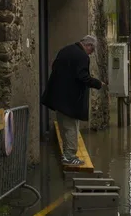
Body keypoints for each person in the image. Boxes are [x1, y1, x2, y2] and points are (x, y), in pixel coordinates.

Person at [41, 35, 105, 166]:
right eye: (92, 51)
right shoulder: (82, 57)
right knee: (71, 128)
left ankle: (66, 154)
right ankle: (69, 157)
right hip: (70, 100)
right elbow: (83, 77)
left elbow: (55, 67)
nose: (91, 53)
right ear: (88, 46)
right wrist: (98, 84)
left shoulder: (65, 50)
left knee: (64, 126)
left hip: (58, 98)